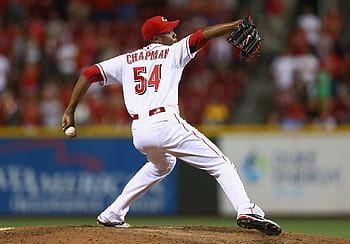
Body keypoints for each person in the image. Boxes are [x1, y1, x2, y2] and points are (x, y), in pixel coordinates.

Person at [61, 16, 282, 236]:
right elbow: (201, 35)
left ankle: (113, 213)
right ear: (157, 37)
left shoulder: (126, 60)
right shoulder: (173, 52)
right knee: (222, 164)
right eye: (169, 31)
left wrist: (70, 110)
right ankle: (246, 210)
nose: (174, 34)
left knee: (162, 165)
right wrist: (234, 25)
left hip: (139, 131)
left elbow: (87, 74)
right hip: (165, 123)